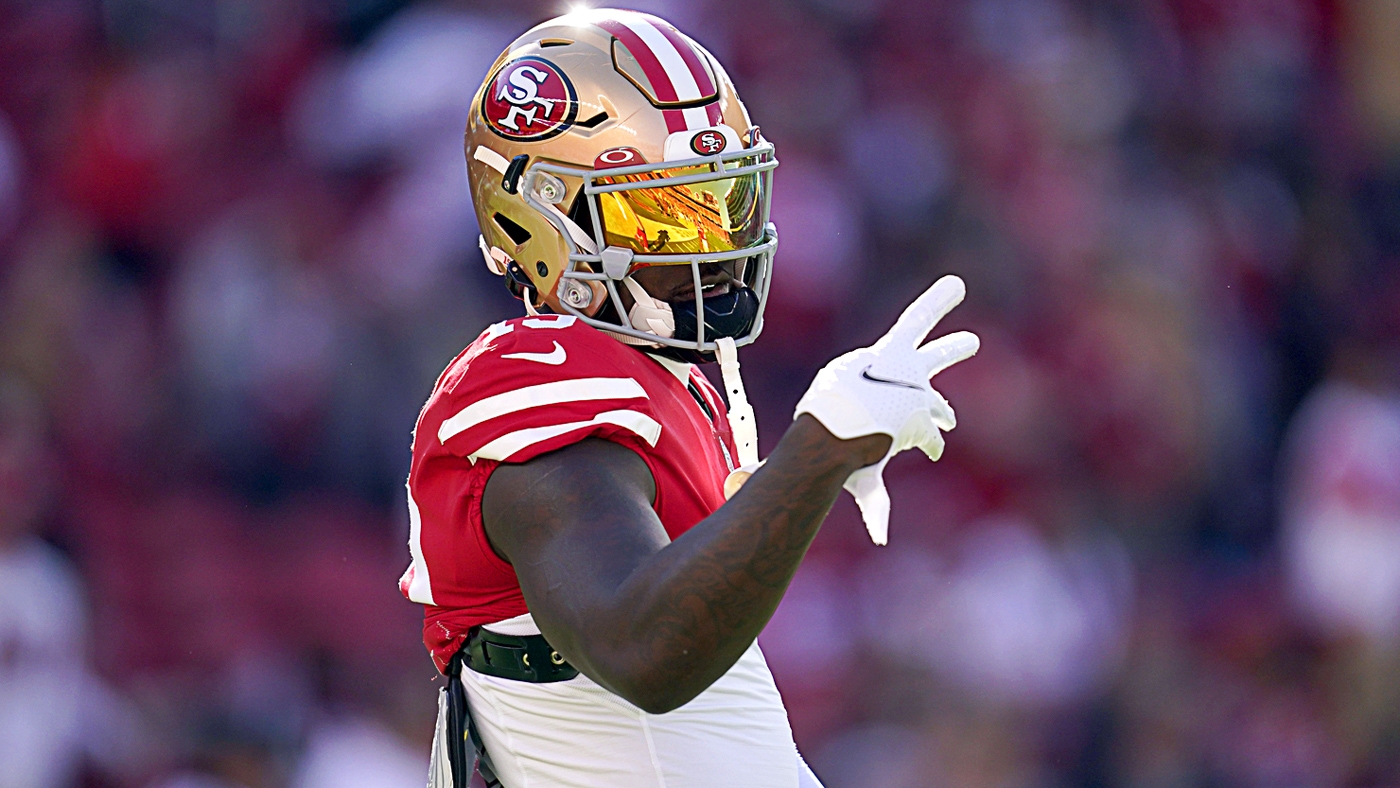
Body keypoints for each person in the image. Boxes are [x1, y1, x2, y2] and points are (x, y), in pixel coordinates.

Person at [399, 9, 978, 787]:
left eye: (724, 201)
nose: (718, 244)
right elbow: (646, 651)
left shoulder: (670, 382)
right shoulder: (530, 374)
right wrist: (817, 454)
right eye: (668, 215)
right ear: (543, 218)